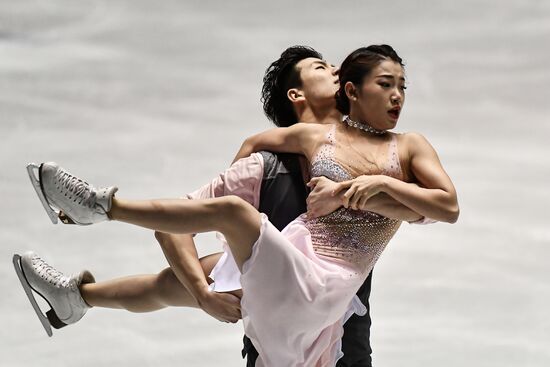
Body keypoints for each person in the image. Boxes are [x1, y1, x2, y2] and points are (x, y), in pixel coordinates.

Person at [19, 45, 458, 365]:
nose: (337, 68)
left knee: (172, 282)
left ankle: (76, 296)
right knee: (183, 278)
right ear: (297, 96)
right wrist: (204, 296)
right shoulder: (262, 167)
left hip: (340, 317)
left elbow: (427, 209)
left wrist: (364, 187)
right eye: (323, 67)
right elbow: (178, 224)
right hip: (279, 308)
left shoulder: (382, 149)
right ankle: (93, 234)